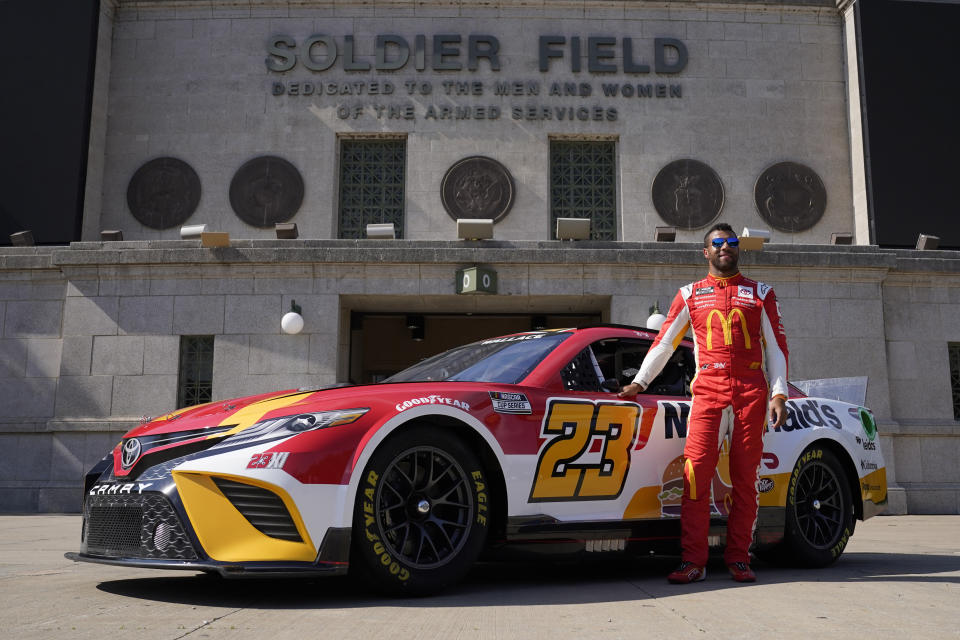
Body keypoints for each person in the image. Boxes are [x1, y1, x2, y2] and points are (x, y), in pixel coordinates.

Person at [618, 222, 789, 584]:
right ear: (705, 252)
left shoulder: (761, 293)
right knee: (695, 477)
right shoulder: (690, 293)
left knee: (745, 481)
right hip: (708, 393)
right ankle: (693, 561)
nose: (725, 247)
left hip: (750, 394)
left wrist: (779, 392)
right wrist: (639, 382)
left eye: (730, 242)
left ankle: (739, 558)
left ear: (738, 249)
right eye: (717, 243)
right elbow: (665, 343)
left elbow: (775, 347)